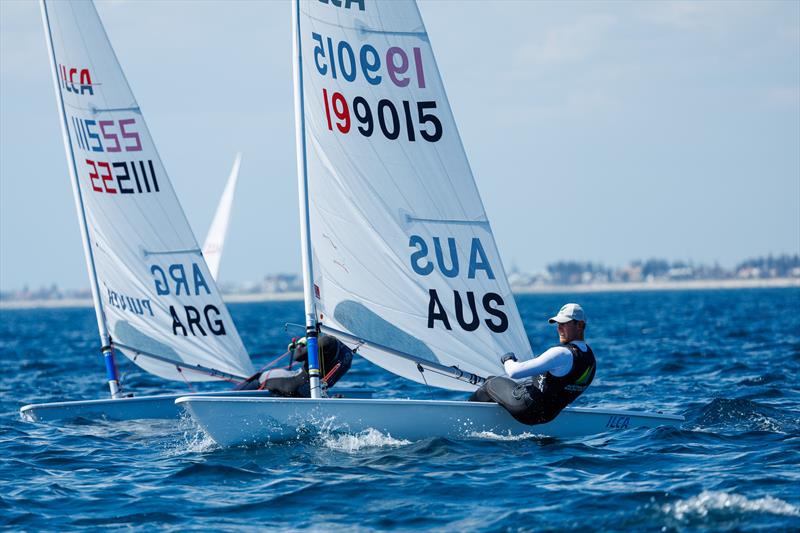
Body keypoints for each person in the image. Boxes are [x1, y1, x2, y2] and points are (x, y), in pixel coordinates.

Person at [469, 303, 596, 425]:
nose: (559, 328)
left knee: (491, 382)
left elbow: (514, 372)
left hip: (525, 409)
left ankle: (466, 417)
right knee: (514, 387)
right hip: (547, 417)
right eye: (558, 324)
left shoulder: (561, 353)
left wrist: (508, 359)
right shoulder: (590, 358)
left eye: (564, 324)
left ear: (579, 325)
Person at [236, 334, 353, 397]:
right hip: (311, 392)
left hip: (294, 384)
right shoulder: (348, 353)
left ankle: (228, 399)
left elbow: (298, 356)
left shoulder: (328, 341)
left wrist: (301, 344)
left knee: (261, 377)